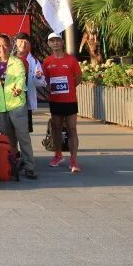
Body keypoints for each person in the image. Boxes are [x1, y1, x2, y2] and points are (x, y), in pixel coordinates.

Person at [0, 34, 37, 179]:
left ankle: (29, 167)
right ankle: (12, 163)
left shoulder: (17, 62)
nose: (1, 48)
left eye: (4, 45)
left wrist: (19, 89)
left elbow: (20, 78)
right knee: (8, 139)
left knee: (23, 137)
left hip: (16, 105)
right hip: (1, 107)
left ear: (9, 46)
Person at [43, 31, 82, 173]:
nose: (55, 43)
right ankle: (58, 155)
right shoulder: (47, 61)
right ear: (49, 44)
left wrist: (69, 89)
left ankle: (73, 160)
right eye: (52, 41)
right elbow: (45, 80)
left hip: (70, 100)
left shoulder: (71, 60)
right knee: (57, 128)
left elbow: (78, 78)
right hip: (55, 101)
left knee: (72, 128)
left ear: (62, 42)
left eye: (58, 40)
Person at [14, 32, 46, 133]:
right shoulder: (9, 59)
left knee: (25, 131)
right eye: (20, 41)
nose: (23, 44)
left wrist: (38, 77)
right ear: (15, 42)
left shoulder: (34, 61)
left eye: (25, 42)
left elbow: (41, 83)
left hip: (25, 100)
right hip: (11, 99)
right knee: (11, 131)